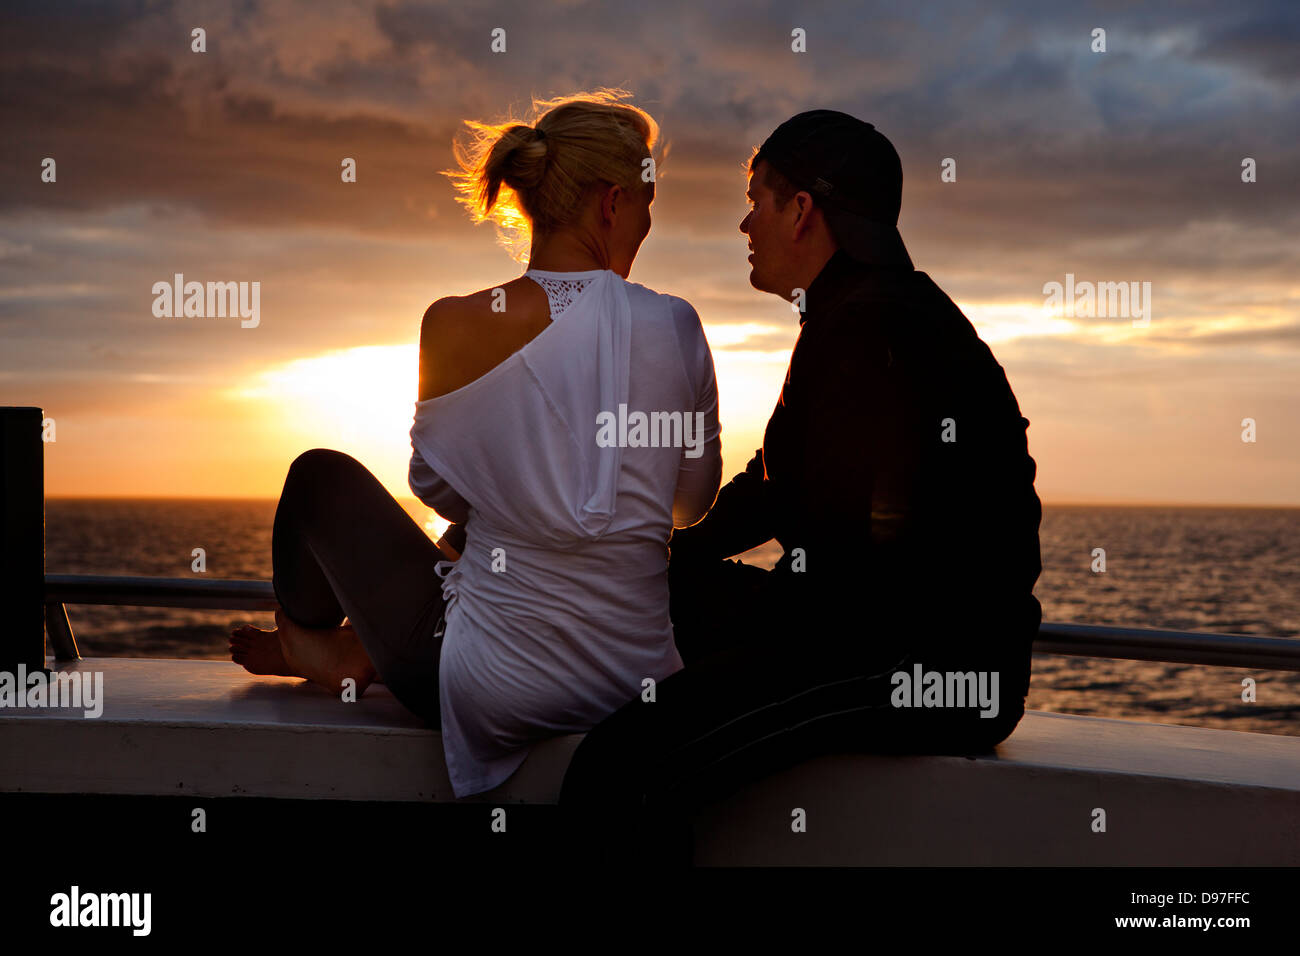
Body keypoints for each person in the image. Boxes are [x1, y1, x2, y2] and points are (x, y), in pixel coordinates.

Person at [558, 110, 1044, 866]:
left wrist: (686, 576)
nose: (744, 223)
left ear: (802, 211)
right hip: (879, 638)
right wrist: (665, 557)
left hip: (922, 670)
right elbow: (783, 487)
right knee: (650, 599)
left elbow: (833, 523)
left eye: (756, 199)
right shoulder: (868, 309)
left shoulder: (870, 326)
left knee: (621, 767)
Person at [230, 89, 722, 801]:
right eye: (648, 202)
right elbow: (690, 504)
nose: (649, 222)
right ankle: (346, 650)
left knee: (318, 477)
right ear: (612, 203)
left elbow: (439, 489)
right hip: (634, 683)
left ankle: (321, 639)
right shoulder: (677, 326)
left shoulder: (454, 324)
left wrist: (526, 479)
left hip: (493, 686)